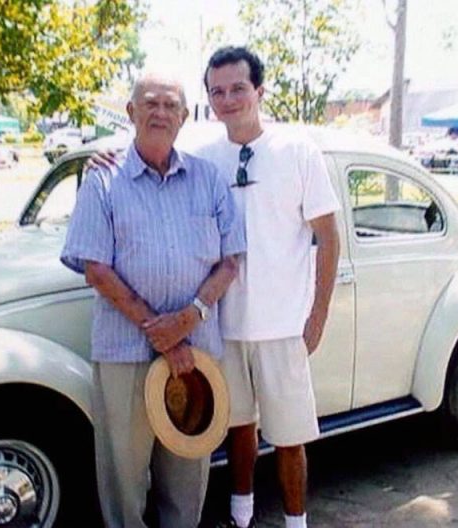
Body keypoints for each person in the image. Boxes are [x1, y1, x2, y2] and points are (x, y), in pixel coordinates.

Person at [60, 72, 245, 528]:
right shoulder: (103, 180)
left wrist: (189, 319)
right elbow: (95, 268)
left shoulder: (208, 179)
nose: (160, 113)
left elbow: (230, 261)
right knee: (124, 480)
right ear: (131, 112)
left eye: (170, 105)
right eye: (150, 103)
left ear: (184, 117)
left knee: (187, 476)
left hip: (197, 358)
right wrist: (160, 331)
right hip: (126, 353)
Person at [198, 46, 341, 528]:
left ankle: (296, 522)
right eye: (217, 92)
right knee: (239, 428)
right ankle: (241, 516)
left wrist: (317, 316)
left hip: (282, 325)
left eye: (238, 88)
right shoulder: (204, 160)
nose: (228, 99)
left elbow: (328, 236)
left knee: (289, 436)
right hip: (226, 325)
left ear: (259, 90)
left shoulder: (297, 151)